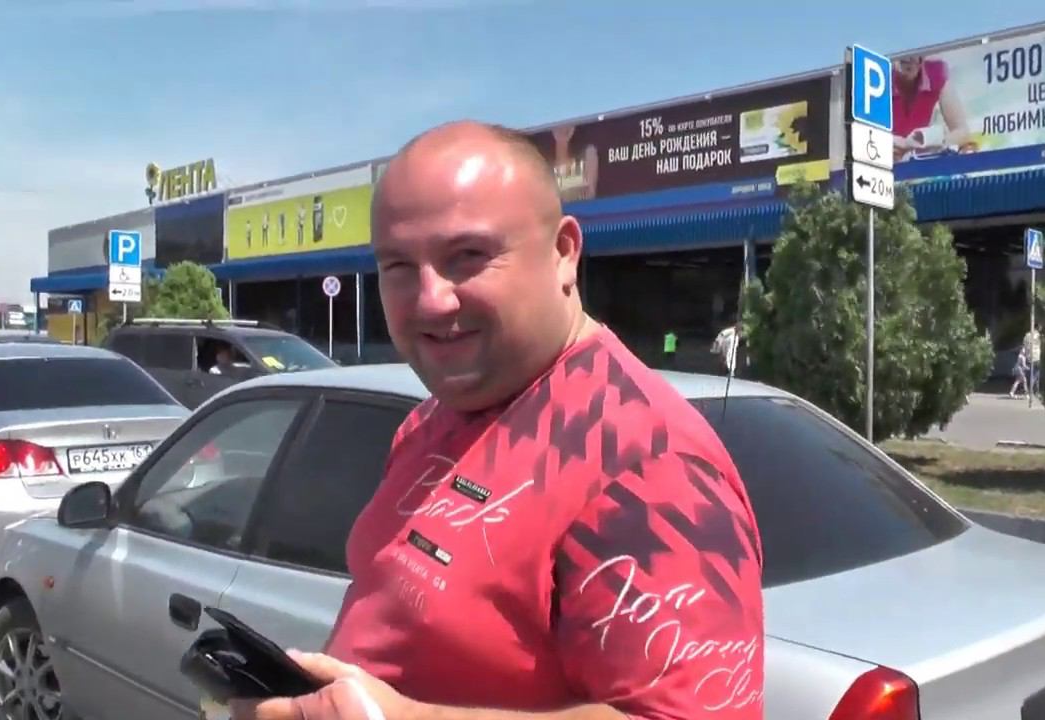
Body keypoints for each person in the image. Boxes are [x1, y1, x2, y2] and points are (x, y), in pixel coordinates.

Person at [230, 121, 764, 720]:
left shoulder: (647, 465)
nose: (430, 300)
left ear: (563, 253)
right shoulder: (436, 417)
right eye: (398, 266)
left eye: (467, 256)